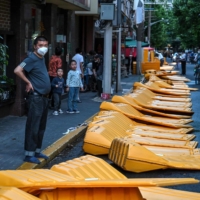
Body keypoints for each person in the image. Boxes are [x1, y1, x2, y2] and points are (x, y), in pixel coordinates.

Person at [14, 36, 50, 164]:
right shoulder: (31, 58)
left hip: (44, 98)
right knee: (33, 126)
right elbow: (17, 70)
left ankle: (36, 151)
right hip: (36, 97)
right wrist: (28, 82)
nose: (43, 47)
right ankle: (29, 154)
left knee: (41, 126)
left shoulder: (42, 58)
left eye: (45, 45)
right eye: (40, 45)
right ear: (35, 46)